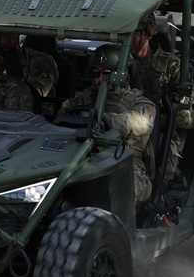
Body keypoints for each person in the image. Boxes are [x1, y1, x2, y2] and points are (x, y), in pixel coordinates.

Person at [59, 43, 156, 206]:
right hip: (80, 160)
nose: (100, 79)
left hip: (126, 165)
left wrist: (101, 119)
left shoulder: (143, 105)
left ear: (124, 73)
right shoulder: (86, 98)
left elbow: (130, 123)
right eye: (97, 73)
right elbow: (61, 119)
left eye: (107, 74)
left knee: (115, 190)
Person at [131, 14, 194, 181]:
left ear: (147, 35)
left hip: (160, 133)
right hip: (124, 127)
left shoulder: (172, 67)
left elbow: (189, 116)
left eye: (132, 32)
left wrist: (154, 117)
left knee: (157, 167)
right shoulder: (121, 61)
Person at [0, 33, 59, 99]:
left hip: (34, 107)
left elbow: (33, 96)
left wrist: (12, 65)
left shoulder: (39, 60)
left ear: (13, 38)